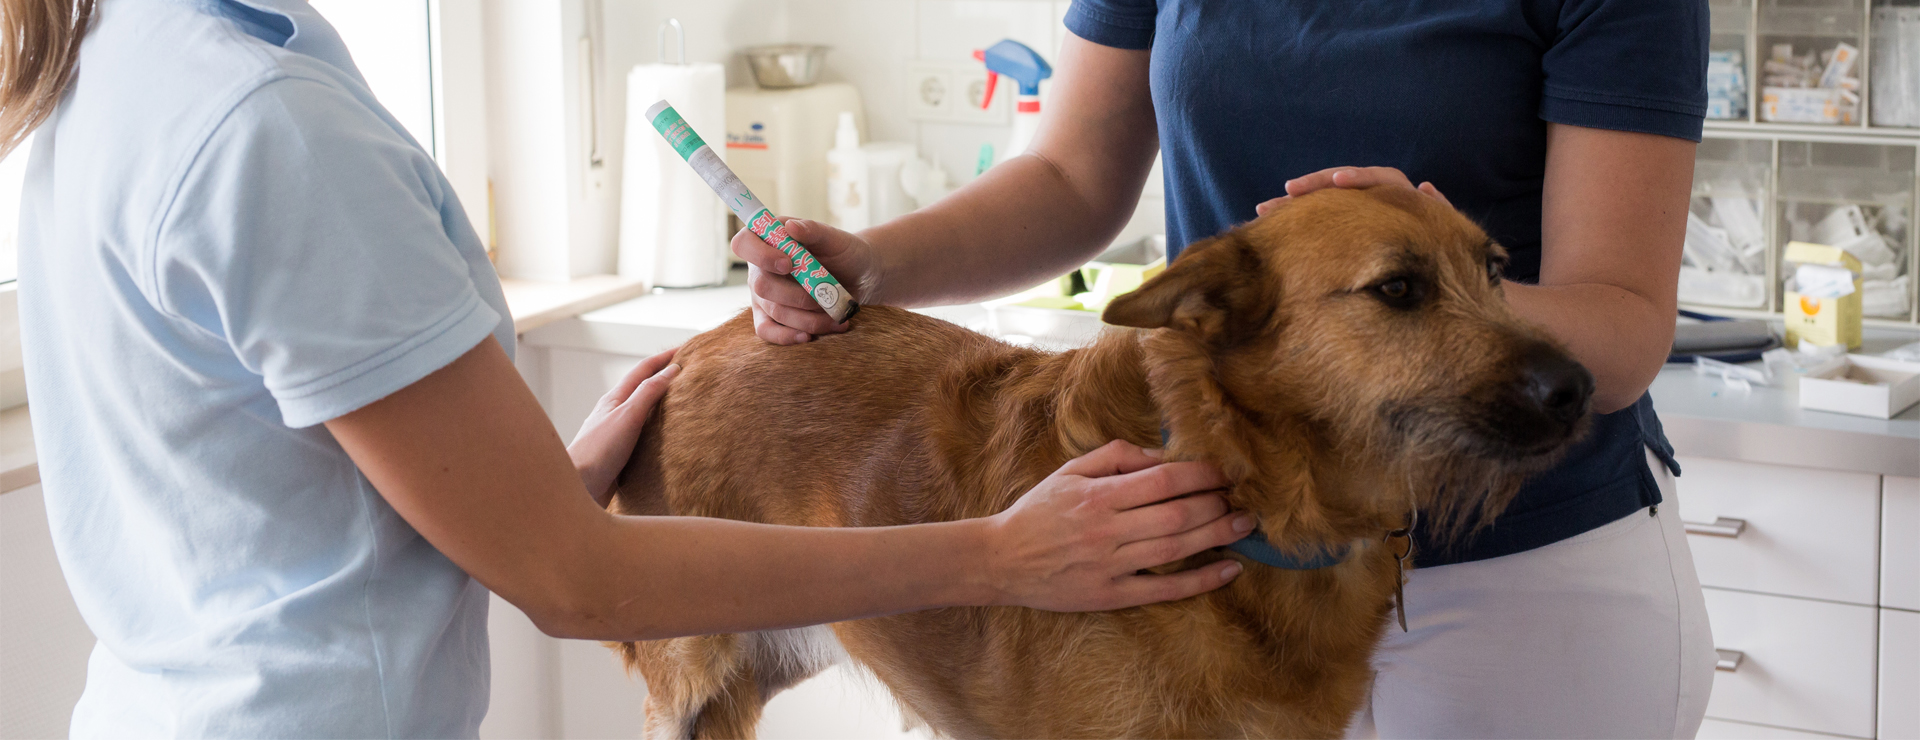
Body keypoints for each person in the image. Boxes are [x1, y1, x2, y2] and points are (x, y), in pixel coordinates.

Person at [3, 0, 1255, 735]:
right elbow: (578, 582)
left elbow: (246, 487)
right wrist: (1001, 552)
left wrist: (526, 482)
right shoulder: (259, 122)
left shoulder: (113, 63)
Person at [736, 1, 1718, 737]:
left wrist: (1409, 274)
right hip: (1223, 562)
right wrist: (874, 260)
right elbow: (1071, 178)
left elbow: (1621, 325)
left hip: (1517, 575)